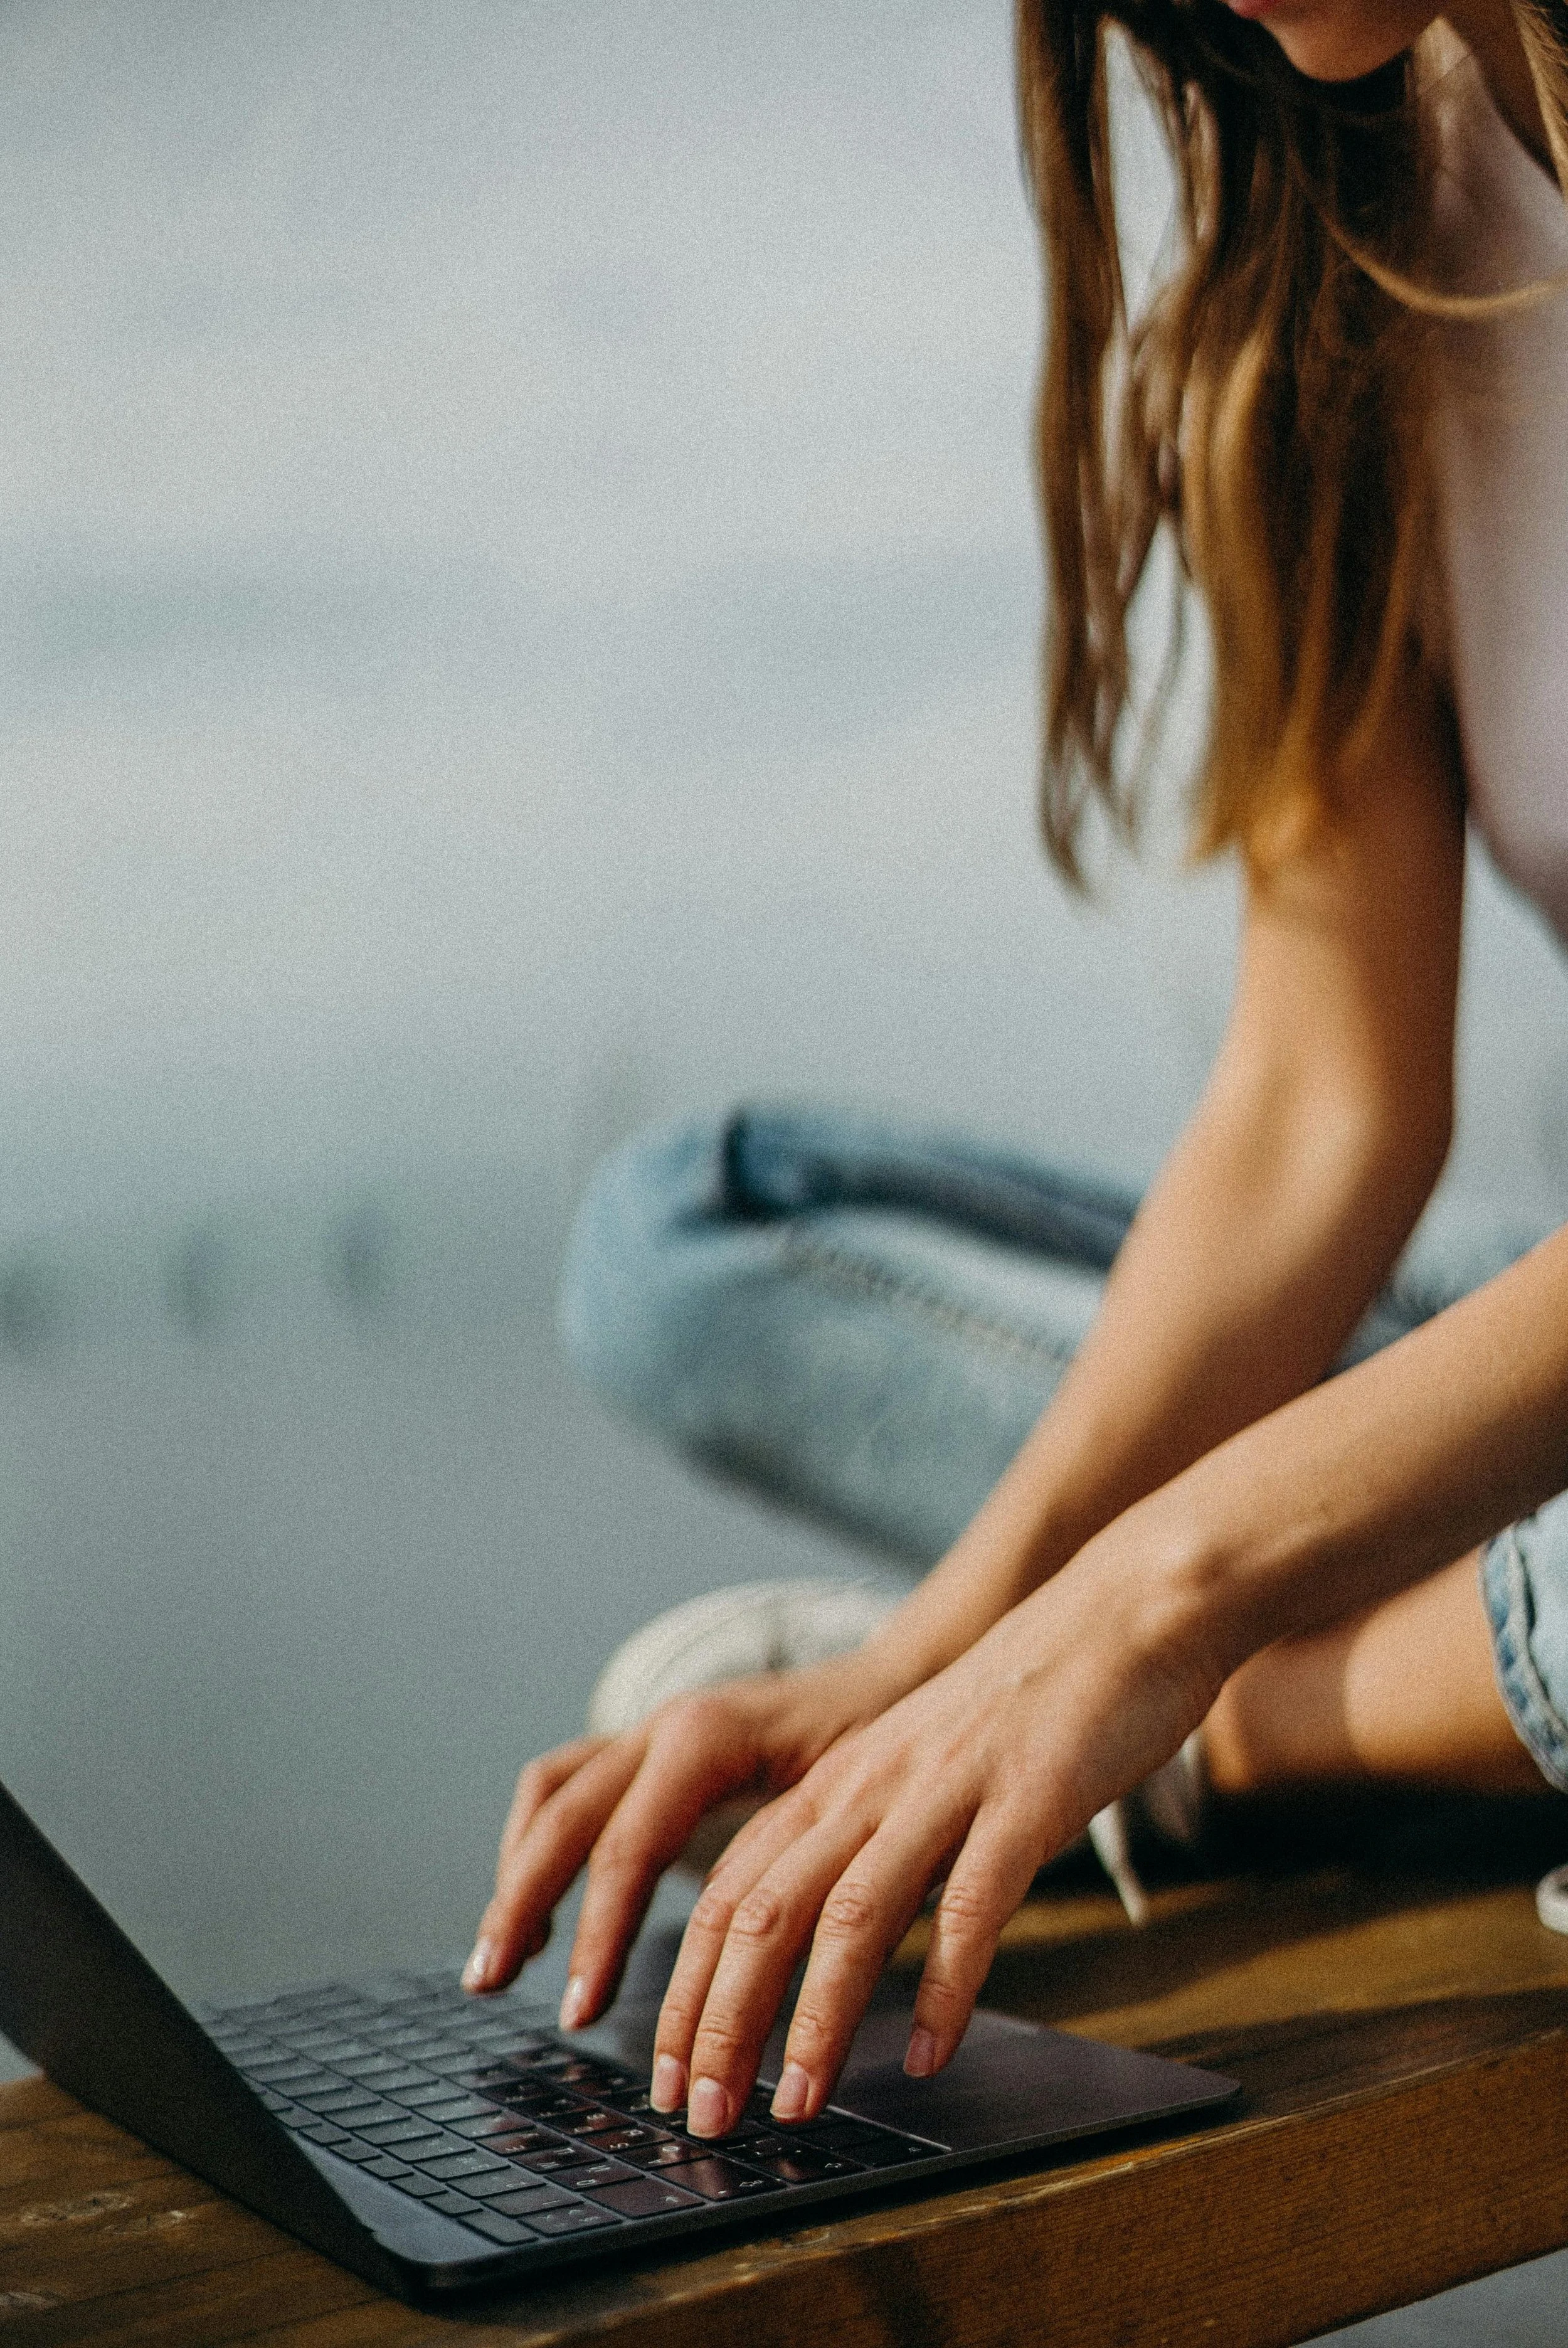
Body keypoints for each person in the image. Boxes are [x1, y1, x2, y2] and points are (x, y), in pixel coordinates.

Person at [466, 0, 1568, 2144]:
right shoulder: (1333, 238)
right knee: (679, 1251)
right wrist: (962, 1641)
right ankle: (1446, 1669)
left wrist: (1154, 1623)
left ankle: (1265, 1739)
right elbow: (1325, 1105)